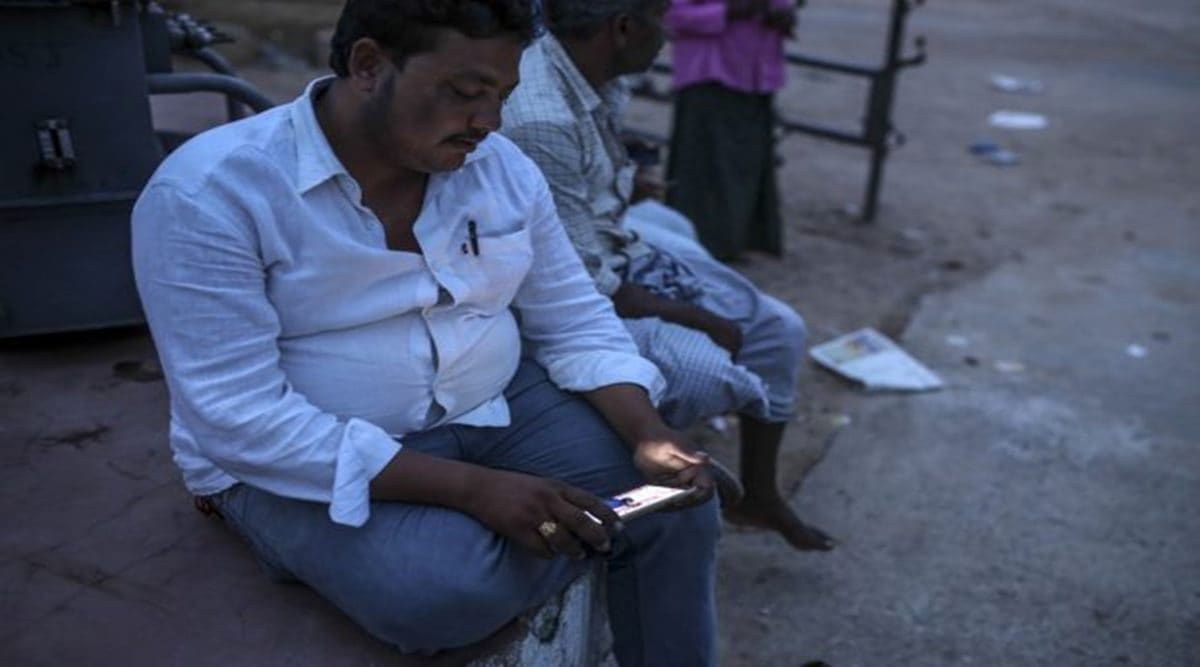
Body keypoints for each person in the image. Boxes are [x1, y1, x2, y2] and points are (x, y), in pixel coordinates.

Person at [131, 1, 721, 663]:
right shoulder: (209, 194)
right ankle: (285, 531)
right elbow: (240, 416)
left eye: (503, 96)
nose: (489, 121)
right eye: (466, 92)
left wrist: (648, 434)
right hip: (299, 448)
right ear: (368, 65)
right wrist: (473, 489)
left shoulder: (501, 167)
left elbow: (573, 316)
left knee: (676, 502)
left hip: (494, 402)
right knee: (443, 595)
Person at [501, 0, 834, 551]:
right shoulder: (543, 118)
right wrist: (697, 317)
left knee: (777, 328)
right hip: (588, 282)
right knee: (706, 368)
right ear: (622, 28)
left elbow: (590, 212)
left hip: (612, 247)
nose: (670, 30)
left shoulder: (594, 72)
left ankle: (758, 495)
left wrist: (626, 182)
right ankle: (639, 468)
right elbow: (583, 284)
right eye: (662, 15)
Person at [665, 0, 798, 261]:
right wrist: (730, 12)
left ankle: (738, 238)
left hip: (755, 78)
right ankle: (705, 242)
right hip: (709, 77)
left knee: (748, 164)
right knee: (705, 165)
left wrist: (781, 17)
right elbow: (673, 16)